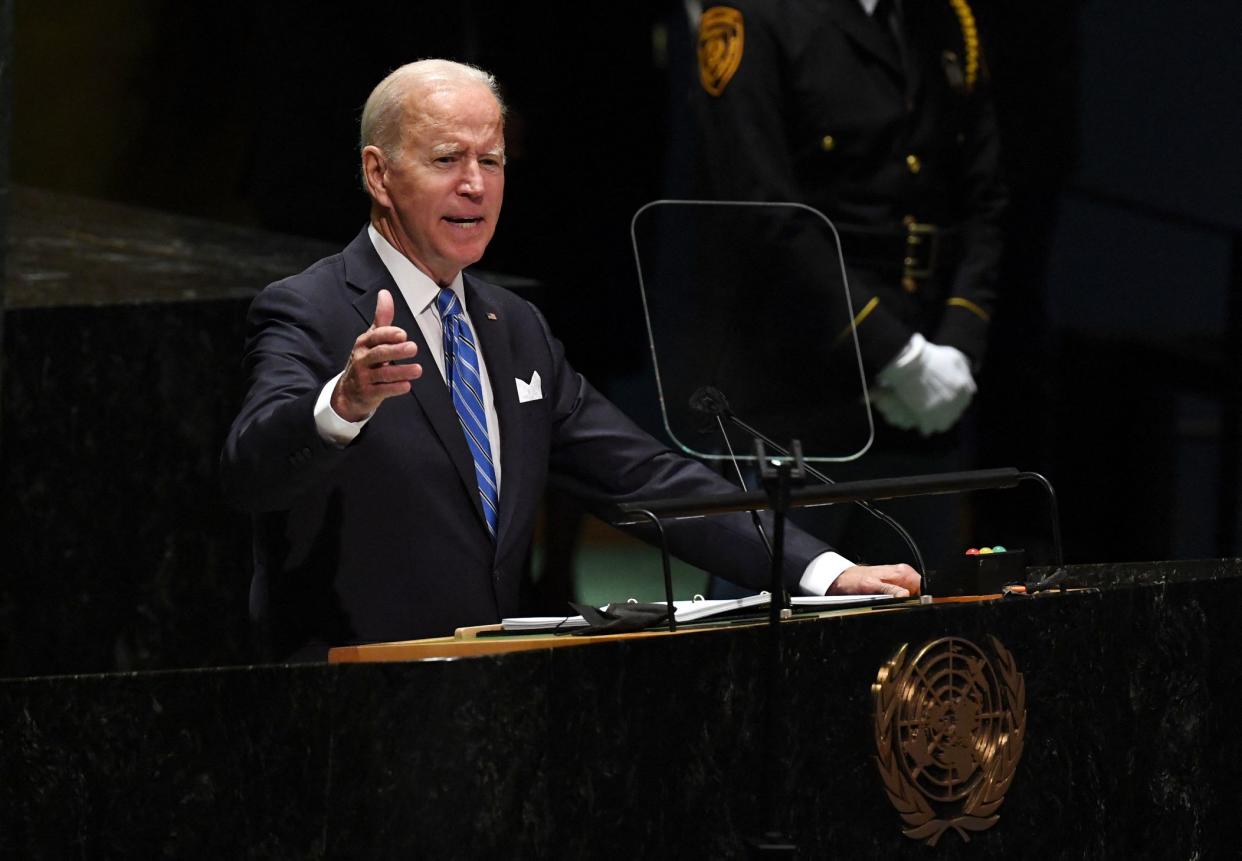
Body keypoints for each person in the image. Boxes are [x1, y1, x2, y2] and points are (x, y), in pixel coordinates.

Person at [220, 59, 918, 661]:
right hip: (350, 712)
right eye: (445, 159)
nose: (475, 184)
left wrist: (822, 570)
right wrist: (341, 407)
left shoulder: (513, 327)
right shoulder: (309, 309)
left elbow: (647, 478)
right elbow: (250, 471)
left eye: (490, 160)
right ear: (378, 173)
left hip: (493, 706)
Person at [693, 0, 1007, 569]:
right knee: (771, 630)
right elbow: (764, 212)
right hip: (801, 397)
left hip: (924, 399)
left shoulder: (945, 19)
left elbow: (984, 202)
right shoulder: (754, 16)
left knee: (916, 638)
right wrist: (893, 354)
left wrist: (956, 346)